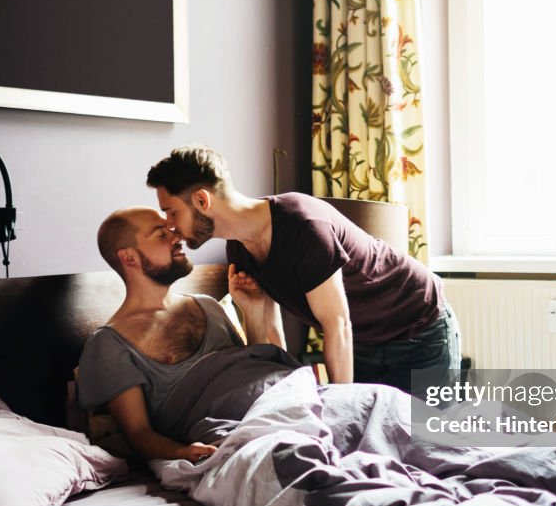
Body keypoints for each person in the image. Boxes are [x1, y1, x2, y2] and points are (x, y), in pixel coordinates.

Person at [146, 144, 461, 395]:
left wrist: (343, 413)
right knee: (379, 444)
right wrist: (252, 309)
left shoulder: (302, 225)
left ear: (202, 200)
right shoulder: (239, 247)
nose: (170, 226)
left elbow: (337, 322)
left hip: (418, 328)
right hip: (364, 342)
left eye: (171, 212)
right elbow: (272, 345)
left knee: (432, 445)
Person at [76, 206, 303, 463]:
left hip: (287, 399)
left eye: (172, 230)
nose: (178, 237)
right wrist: (182, 452)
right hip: (240, 432)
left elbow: (252, 371)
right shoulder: (110, 343)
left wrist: (251, 311)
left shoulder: (207, 305)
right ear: (129, 258)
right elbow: (138, 433)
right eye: (161, 234)